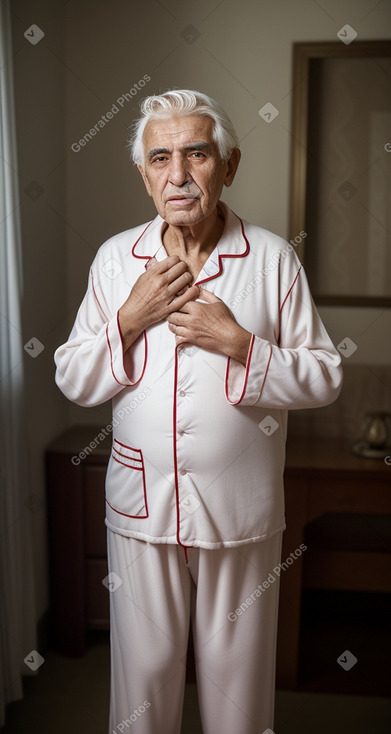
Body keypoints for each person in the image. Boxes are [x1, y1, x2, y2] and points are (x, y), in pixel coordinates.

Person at [54, 89, 343, 734]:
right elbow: (73, 376)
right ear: (144, 174)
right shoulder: (113, 260)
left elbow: (325, 375)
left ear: (229, 165)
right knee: (144, 682)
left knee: (237, 690)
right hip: (141, 505)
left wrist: (239, 343)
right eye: (160, 158)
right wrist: (130, 319)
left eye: (196, 154)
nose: (178, 175)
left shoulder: (271, 259)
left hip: (240, 508)